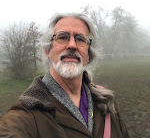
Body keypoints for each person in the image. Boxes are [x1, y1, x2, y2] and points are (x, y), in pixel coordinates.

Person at [0, 13, 130, 138]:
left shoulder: (106, 103)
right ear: (47, 50)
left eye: (80, 39)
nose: (72, 45)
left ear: (89, 55)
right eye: (62, 37)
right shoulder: (27, 114)